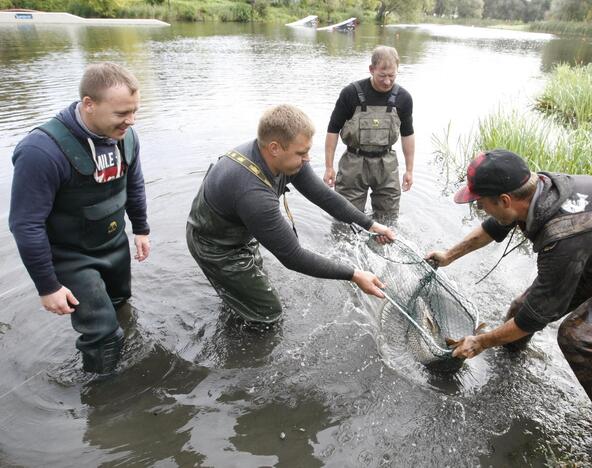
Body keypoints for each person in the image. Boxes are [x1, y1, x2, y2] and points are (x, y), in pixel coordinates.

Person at [426, 149, 592, 465]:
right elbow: (492, 228)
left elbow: (532, 320)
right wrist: (448, 256)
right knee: (519, 307)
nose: (478, 206)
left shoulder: (563, 237)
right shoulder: (537, 191)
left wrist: (480, 342)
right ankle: (511, 355)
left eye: (479, 201)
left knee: (580, 337)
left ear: (504, 200)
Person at [186, 104, 395, 325]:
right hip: (214, 246)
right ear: (275, 148)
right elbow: (293, 257)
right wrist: (354, 275)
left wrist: (370, 225)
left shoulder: (284, 159)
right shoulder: (253, 193)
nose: (307, 159)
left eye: (307, 151)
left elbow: (324, 196)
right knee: (268, 313)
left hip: (238, 231)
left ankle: (235, 303)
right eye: (302, 153)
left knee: (251, 292)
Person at [9, 62, 150, 374]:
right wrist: (47, 286)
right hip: (69, 255)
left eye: (134, 111)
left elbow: (134, 184)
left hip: (113, 244)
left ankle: (124, 366)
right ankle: (104, 401)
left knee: (119, 306)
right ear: (89, 104)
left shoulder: (127, 137)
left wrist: (140, 229)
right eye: (121, 114)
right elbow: (25, 224)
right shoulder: (41, 151)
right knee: (102, 333)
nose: (131, 120)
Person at [324, 45, 415, 219]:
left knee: (388, 219)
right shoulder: (350, 93)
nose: (387, 81)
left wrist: (409, 170)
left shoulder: (404, 98)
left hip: (386, 165)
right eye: (382, 75)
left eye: (392, 76)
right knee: (346, 219)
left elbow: (408, 134)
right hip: (353, 164)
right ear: (371, 69)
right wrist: (329, 167)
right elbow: (333, 130)